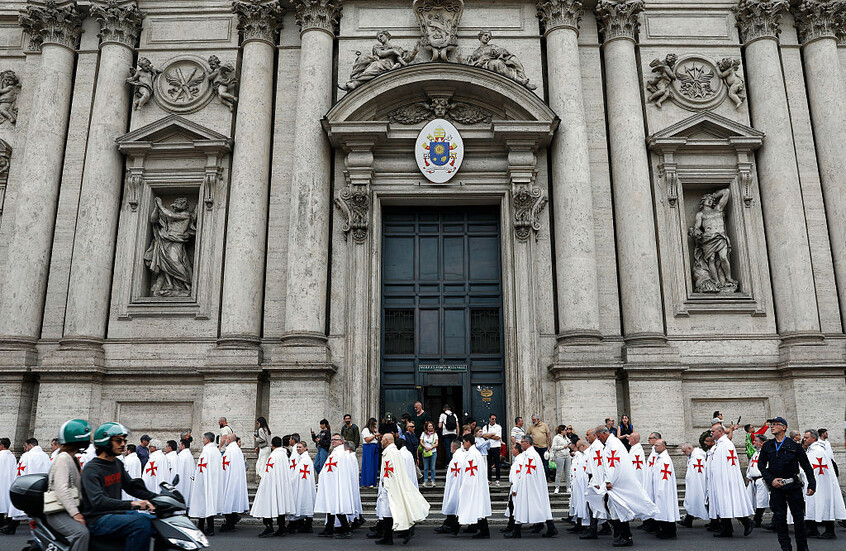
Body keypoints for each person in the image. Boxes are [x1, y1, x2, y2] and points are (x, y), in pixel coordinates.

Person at [80, 422, 156, 551]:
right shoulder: (92, 469)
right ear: (105, 442)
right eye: (118, 441)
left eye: (123, 440)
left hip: (115, 513)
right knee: (141, 525)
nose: (123, 444)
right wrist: (133, 504)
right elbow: (98, 501)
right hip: (98, 519)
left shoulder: (116, 464)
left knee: (155, 521)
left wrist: (158, 498)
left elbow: (131, 487)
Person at [592, 426, 658, 547]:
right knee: (614, 508)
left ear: (604, 433)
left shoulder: (613, 444)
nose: (598, 439)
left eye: (599, 436)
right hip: (615, 482)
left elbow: (613, 463)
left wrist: (608, 481)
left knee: (619, 509)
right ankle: (621, 535)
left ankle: (625, 537)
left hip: (616, 484)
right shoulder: (611, 443)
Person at [758, 417, 817, 551]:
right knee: (780, 519)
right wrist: (770, 480)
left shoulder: (794, 446)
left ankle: (803, 548)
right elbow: (761, 465)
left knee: (799, 519)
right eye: (771, 424)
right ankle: (786, 547)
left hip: (793, 486)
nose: (771, 427)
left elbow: (807, 466)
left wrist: (812, 484)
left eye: (775, 424)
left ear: (783, 427)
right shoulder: (768, 445)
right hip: (776, 487)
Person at [373, 433, 430, 545]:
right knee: (389, 512)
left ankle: (390, 537)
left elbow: (390, 471)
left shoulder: (390, 453)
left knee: (390, 511)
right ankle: (388, 537)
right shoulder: (393, 452)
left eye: (382, 440)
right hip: (391, 486)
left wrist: (388, 485)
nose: (381, 442)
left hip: (390, 487)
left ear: (387, 441)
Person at [45, 420, 92, 551]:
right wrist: (75, 514)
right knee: (81, 533)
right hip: (59, 512)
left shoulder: (72, 458)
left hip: (69, 508)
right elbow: (61, 489)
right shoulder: (63, 458)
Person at [708, 422, 754, 537]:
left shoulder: (726, 444)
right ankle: (727, 529)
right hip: (718, 479)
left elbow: (730, 463)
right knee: (723, 503)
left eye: (713, 431)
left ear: (720, 431)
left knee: (729, 502)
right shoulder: (718, 445)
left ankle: (747, 522)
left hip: (726, 479)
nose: (711, 433)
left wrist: (726, 479)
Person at [507, 435, 557, 538]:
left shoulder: (531, 455)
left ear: (527, 443)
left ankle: (517, 531)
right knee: (540, 505)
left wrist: (522, 486)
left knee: (523, 506)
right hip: (530, 485)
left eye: (522, 442)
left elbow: (529, 473)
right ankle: (551, 527)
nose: (521, 444)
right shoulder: (529, 454)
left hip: (530, 486)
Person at [802, 429, 845, 539]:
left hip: (821, 483)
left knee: (824, 504)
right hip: (813, 482)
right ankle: (812, 529)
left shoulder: (818, 450)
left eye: (806, 437)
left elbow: (817, 468)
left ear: (814, 438)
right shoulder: (810, 450)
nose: (804, 439)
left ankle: (830, 531)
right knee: (811, 504)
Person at [3, 437, 51, 534]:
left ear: (30, 445)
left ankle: (11, 527)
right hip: (42, 486)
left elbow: (20, 471)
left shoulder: (27, 456)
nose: (25, 449)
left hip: (29, 485)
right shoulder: (45, 456)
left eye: (25, 446)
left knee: (21, 507)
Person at [314, 433, 355, 538]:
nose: (333, 441)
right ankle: (329, 528)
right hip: (331, 483)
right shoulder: (335, 452)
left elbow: (340, 469)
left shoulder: (341, 453)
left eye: (335, 440)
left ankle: (346, 530)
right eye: (332, 440)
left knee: (337, 507)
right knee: (331, 506)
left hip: (337, 483)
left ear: (341, 441)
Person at [251, 436, 291, 538]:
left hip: (271, 485)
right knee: (280, 505)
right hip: (281, 485)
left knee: (267, 504)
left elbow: (268, 472)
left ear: (272, 445)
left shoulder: (273, 456)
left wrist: (264, 485)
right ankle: (281, 528)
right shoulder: (284, 455)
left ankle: (269, 527)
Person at [455, 433, 492, 538]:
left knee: (476, 507)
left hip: (473, 485)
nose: (463, 444)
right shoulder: (476, 453)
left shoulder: (472, 454)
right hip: (477, 484)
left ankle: (484, 532)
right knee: (478, 508)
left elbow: (470, 472)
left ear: (468, 442)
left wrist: (465, 485)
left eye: (464, 442)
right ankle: (483, 531)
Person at [188, 432, 222, 536]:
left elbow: (202, 467)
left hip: (203, 481)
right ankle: (206, 527)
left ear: (207, 439)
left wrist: (197, 477)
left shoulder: (206, 451)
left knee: (202, 503)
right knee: (208, 503)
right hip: (213, 480)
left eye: (203, 438)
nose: (202, 440)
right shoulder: (216, 451)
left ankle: (204, 527)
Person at [434, 439, 465, 535]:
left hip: (455, 484)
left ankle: (449, 526)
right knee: (454, 504)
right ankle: (450, 525)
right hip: (456, 483)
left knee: (453, 503)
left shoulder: (457, 457)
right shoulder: (460, 456)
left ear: (453, 447)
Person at [220, 433, 249, 531]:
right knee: (231, 500)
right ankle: (232, 520)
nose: (225, 440)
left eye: (225, 439)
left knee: (229, 500)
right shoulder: (237, 450)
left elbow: (226, 465)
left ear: (229, 439)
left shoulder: (231, 450)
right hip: (235, 478)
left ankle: (230, 523)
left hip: (230, 478)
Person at [651, 439, 679, 539]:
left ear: (663, 446)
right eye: (654, 445)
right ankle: (665, 530)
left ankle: (669, 531)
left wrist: (661, 489)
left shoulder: (665, 459)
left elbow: (665, 476)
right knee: (662, 509)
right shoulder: (659, 458)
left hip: (663, 489)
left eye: (657, 445)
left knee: (665, 509)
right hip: (659, 487)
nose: (655, 447)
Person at [288, 440, 316, 534]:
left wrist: (291, 481)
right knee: (303, 502)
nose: (298, 449)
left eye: (300, 447)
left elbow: (299, 473)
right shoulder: (302, 458)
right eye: (297, 447)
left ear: (305, 448)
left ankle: (307, 526)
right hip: (303, 484)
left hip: (304, 485)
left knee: (304, 501)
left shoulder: (305, 459)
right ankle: (302, 525)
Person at [678, 442, 708, 527]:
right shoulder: (692, 456)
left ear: (690, 449)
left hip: (698, 483)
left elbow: (698, 472)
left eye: (684, 451)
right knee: (692, 501)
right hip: (694, 483)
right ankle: (688, 520)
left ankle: (715, 522)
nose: (684, 453)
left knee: (696, 500)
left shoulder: (697, 457)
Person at [746, 434, 770, 527]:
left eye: (756, 441)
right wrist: (749, 475)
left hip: (761, 479)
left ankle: (757, 519)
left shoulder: (766, 454)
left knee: (762, 500)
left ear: (762, 443)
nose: (754, 442)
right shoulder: (756, 453)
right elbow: (751, 465)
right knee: (755, 500)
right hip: (754, 480)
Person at [567, 440, 590, 534]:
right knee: (578, 504)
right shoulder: (580, 455)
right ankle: (579, 523)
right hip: (577, 483)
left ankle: (584, 525)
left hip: (583, 484)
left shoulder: (586, 455)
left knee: (583, 505)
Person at [526, 414, 552, 480]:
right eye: (532, 420)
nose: (533, 421)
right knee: (536, 462)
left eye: (534, 420)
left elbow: (548, 436)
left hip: (544, 447)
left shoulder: (544, 425)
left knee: (545, 463)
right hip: (535, 447)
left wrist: (549, 446)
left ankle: (547, 477)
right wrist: (531, 444)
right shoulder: (531, 427)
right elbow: (527, 435)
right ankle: (537, 477)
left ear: (538, 420)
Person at [481, 413, 502, 486]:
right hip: (488, 447)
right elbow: (483, 436)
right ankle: (489, 479)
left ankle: (497, 479)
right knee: (488, 464)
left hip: (496, 447)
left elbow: (498, 437)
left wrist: (488, 435)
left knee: (497, 464)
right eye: (492, 419)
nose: (494, 420)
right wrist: (492, 435)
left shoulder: (498, 427)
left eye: (495, 419)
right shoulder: (485, 427)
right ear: (489, 419)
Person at [0, 437, 16, 529]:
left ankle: (1, 520)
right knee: (6, 500)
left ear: (2, 446)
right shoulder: (12, 456)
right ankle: (9, 518)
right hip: (9, 481)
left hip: (1, 481)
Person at [551, 424, 571, 494]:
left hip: (567, 455)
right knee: (559, 472)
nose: (567, 431)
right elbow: (554, 447)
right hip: (560, 456)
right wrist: (563, 447)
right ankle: (557, 487)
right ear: (562, 430)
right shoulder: (556, 438)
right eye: (565, 430)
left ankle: (568, 487)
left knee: (567, 472)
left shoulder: (566, 437)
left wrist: (568, 442)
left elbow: (569, 444)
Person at [360, 417, 380, 487]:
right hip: (368, 447)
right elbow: (367, 439)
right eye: (374, 424)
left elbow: (377, 439)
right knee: (369, 464)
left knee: (374, 465)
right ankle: (368, 482)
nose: (375, 426)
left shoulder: (373, 431)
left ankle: (373, 481)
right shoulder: (366, 430)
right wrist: (375, 435)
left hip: (374, 447)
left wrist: (376, 433)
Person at [174, 439, 194, 507]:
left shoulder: (182, 455)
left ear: (183, 446)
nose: (178, 446)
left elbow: (179, 470)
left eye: (179, 444)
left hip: (182, 480)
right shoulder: (189, 455)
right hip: (188, 479)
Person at [420, 421, 438, 487]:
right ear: (426, 427)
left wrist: (430, 448)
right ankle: (425, 480)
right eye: (429, 426)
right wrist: (425, 447)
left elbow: (437, 443)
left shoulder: (435, 434)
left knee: (432, 467)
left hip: (433, 452)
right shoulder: (423, 434)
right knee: (426, 467)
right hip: (425, 451)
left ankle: (433, 480)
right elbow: (421, 442)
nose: (430, 427)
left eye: (431, 426)